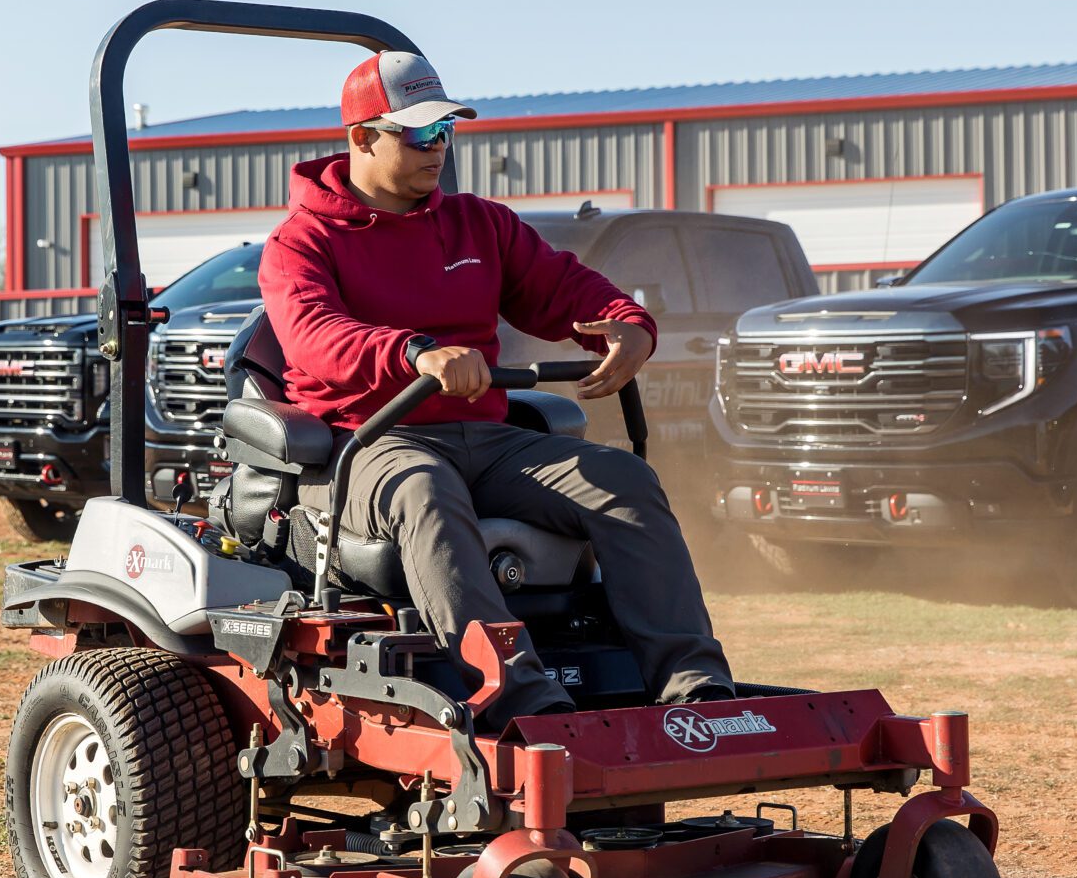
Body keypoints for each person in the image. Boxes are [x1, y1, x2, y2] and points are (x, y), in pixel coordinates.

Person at [257, 50, 735, 727]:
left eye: (445, 130)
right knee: (425, 490)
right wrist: (415, 353)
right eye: (420, 133)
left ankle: (697, 689)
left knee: (623, 479)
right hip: (365, 442)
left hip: (485, 438)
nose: (438, 147)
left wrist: (627, 323)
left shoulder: (480, 224)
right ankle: (523, 706)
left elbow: (559, 286)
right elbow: (315, 336)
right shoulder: (301, 242)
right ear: (362, 137)